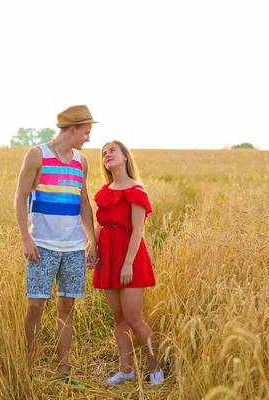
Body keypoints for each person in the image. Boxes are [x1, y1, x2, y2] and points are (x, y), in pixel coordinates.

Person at [14, 105, 99, 385]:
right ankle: (30, 367)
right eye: (86, 133)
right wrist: (26, 238)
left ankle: (64, 370)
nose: (88, 138)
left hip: (73, 247)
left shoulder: (82, 161)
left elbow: (84, 202)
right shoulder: (37, 154)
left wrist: (92, 241)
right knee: (35, 306)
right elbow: (20, 197)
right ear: (72, 129)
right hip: (41, 245)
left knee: (67, 306)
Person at [90, 140, 164, 385]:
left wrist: (128, 263)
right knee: (119, 318)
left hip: (128, 256)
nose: (107, 155)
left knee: (134, 319)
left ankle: (155, 368)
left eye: (112, 150)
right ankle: (126, 370)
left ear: (125, 157)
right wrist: (92, 247)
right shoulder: (105, 191)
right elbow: (101, 223)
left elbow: (137, 231)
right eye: (103, 153)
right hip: (108, 256)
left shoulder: (136, 190)